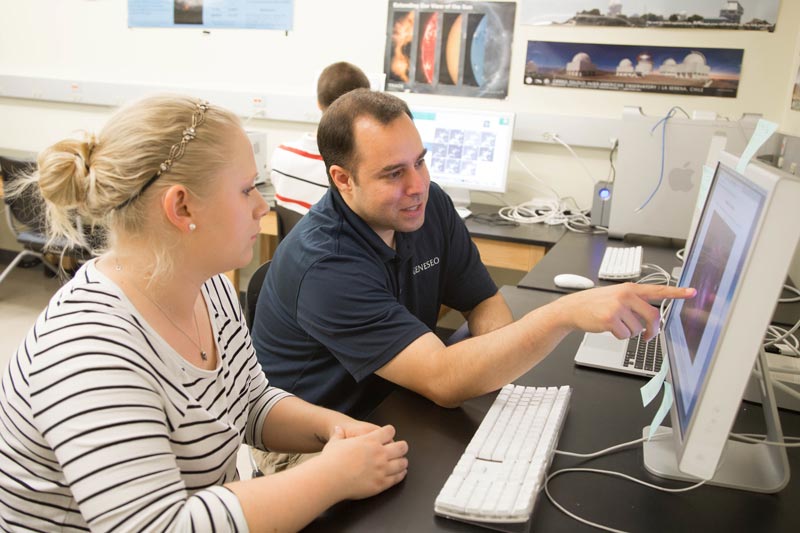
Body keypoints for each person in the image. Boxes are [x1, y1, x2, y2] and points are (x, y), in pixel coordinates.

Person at [0, 94, 408, 532]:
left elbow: (249, 405)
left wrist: (335, 429)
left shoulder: (207, 286)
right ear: (181, 207)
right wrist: (332, 476)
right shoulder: (87, 351)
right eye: (247, 188)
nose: (262, 207)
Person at [251, 88, 695, 422]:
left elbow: (482, 300)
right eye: (393, 173)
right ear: (343, 180)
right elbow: (444, 382)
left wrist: (494, 367)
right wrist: (565, 313)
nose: (417, 186)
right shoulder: (325, 265)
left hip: (399, 403)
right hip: (321, 439)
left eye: (420, 162)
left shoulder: (428, 206)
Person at [271, 61, 371, 215]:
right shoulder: (350, 174)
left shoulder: (281, 155)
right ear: (364, 106)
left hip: (292, 240)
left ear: (318, 103)